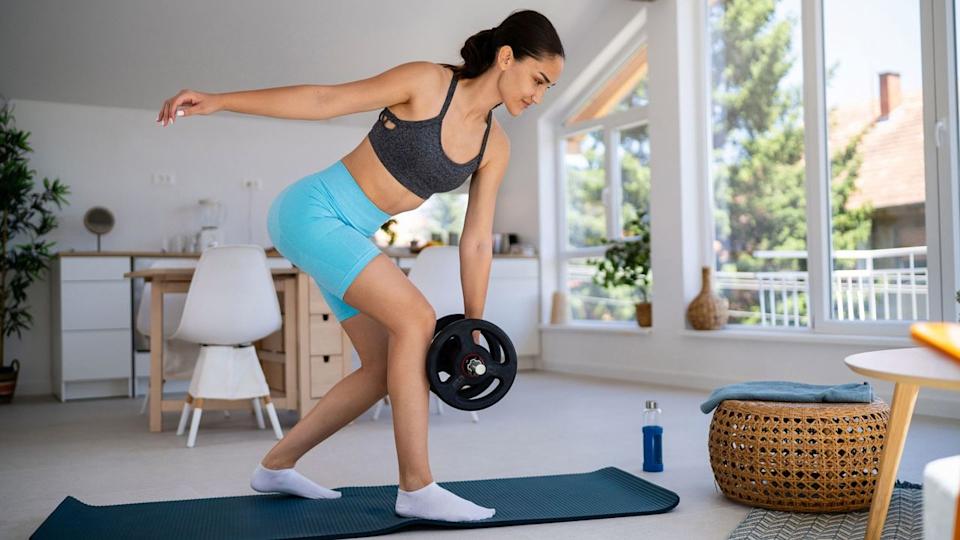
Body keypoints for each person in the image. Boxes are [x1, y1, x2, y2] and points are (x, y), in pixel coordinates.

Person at [156, 9, 564, 523]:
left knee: (380, 368)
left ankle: (276, 466)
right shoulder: (427, 82)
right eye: (538, 79)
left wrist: (474, 327)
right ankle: (417, 487)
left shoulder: (494, 146)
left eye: (547, 87)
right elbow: (325, 100)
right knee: (414, 319)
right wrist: (221, 101)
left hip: (346, 233)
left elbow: (477, 240)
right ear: (506, 58)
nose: (538, 95)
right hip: (310, 211)